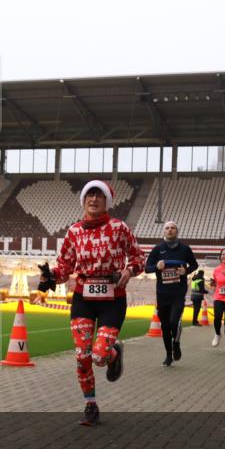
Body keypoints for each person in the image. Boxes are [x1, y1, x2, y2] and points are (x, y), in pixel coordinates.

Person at [38, 180, 144, 426]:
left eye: (98, 195)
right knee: (81, 355)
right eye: (89, 195)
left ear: (107, 200)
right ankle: (90, 405)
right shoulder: (74, 231)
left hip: (112, 300)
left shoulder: (119, 228)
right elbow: (65, 267)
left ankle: (114, 352)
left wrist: (128, 271)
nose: (93, 200)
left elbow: (139, 257)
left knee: (98, 356)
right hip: (83, 298)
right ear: (83, 201)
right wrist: (51, 275)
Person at [145, 221, 198, 367]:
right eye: (167, 228)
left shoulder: (185, 249)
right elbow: (147, 268)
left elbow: (194, 265)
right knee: (165, 326)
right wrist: (156, 266)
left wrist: (185, 271)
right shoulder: (157, 249)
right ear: (163, 231)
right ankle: (169, 355)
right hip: (162, 293)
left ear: (177, 231)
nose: (170, 230)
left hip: (178, 292)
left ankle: (177, 342)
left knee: (174, 321)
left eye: (172, 228)